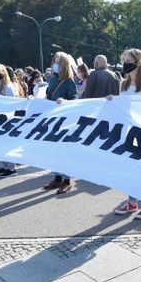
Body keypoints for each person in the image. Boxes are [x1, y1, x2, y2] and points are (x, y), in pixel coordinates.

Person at [110, 48, 141, 219]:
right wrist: (111, 102)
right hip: (127, 132)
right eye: (123, 59)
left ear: (138, 62)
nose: (125, 63)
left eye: (128, 60)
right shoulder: (123, 84)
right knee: (130, 168)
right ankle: (132, 202)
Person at [43, 51, 78, 194]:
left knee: (64, 152)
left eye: (58, 62)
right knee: (54, 151)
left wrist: (65, 101)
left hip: (64, 121)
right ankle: (57, 179)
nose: (55, 64)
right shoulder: (52, 78)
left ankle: (67, 181)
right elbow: (49, 95)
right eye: (54, 61)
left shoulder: (69, 81)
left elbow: (75, 99)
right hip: (52, 119)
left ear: (63, 64)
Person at [0, 64, 18, 177]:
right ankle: (4, 165)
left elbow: (13, 104)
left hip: (7, 120)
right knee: (0, 145)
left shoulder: (8, 87)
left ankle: (11, 168)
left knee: (8, 144)